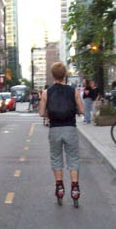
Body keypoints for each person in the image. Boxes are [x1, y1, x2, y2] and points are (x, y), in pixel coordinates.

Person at [39, 62, 85, 204]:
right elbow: (83, 110)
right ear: (65, 75)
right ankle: (75, 187)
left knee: (56, 158)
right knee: (73, 159)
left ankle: (59, 186)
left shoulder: (47, 92)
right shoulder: (74, 91)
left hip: (54, 129)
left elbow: (41, 113)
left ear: (53, 75)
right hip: (70, 128)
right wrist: (74, 111)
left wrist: (49, 114)